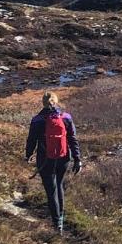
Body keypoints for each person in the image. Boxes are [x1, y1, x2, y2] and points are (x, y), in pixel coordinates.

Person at [25, 92, 81, 234]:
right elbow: (73, 139)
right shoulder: (66, 117)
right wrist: (77, 159)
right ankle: (61, 218)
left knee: (51, 190)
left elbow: (31, 140)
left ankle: (57, 224)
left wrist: (28, 155)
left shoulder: (37, 120)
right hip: (63, 157)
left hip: (45, 159)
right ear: (56, 102)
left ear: (43, 103)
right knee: (60, 186)